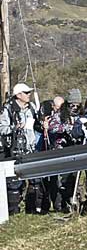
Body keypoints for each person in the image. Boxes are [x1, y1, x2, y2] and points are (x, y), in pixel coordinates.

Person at [0, 84, 39, 214]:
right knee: (14, 183)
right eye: (26, 92)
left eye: (29, 92)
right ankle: (13, 211)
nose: (29, 95)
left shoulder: (32, 107)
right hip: (14, 150)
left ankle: (31, 209)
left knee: (34, 180)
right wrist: (14, 128)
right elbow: (2, 129)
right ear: (18, 95)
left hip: (30, 148)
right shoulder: (8, 109)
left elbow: (36, 126)